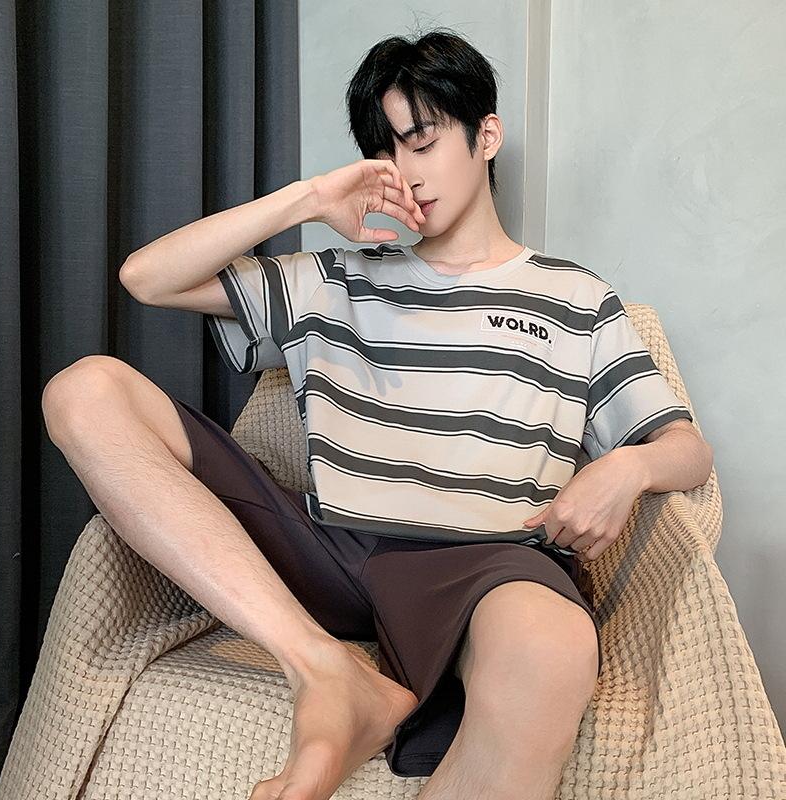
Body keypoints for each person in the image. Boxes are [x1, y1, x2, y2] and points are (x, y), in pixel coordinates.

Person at [41, 26, 713, 800]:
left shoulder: (575, 299)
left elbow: (686, 448)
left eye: (423, 142)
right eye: (387, 152)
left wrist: (627, 467)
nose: (407, 173)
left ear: (486, 136)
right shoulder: (334, 278)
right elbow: (146, 278)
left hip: (487, 564)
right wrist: (310, 200)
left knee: (552, 648)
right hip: (326, 548)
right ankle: (322, 669)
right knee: (84, 388)